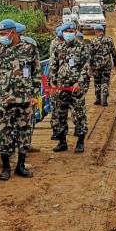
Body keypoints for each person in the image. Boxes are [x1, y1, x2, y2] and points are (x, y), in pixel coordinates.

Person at [0, 19, 42, 180]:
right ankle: (6, 167)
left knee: (25, 133)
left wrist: (35, 95)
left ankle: (20, 166)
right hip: (4, 100)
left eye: (3, 34)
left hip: (25, 100)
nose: (0, 37)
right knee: (3, 133)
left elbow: (37, 73)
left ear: (12, 32)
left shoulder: (29, 48)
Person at [48, 21, 91, 153]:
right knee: (59, 114)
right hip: (60, 88)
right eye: (66, 32)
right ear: (62, 33)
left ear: (75, 32)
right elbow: (53, 66)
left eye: (71, 32)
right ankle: (62, 142)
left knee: (79, 114)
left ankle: (80, 141)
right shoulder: (58, 47)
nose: (68, 34)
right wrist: (52, 83)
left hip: (75, 88)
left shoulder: (82, 47)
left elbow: (86, 67)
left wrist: (80, 82)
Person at [89, 24, 116, 106]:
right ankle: (104, 97)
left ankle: (98, 99)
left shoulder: (93, 41)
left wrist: (91, 66)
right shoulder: (109, 40)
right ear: (103, 31)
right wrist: (115, 63)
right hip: (107, 64)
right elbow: (113, 52)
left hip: (96, 65)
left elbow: (90, 55)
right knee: (105, 81)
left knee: (97, 81)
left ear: (96, 31)